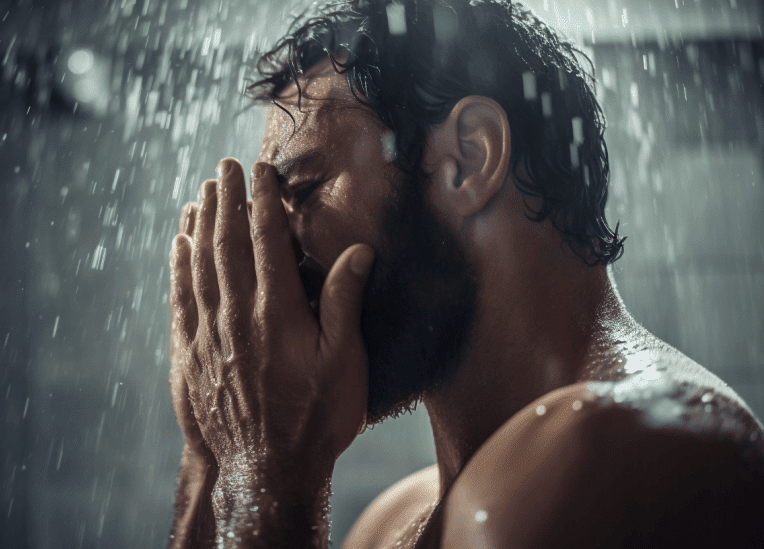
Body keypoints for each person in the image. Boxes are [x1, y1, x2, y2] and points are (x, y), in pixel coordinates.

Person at [165, 0, 764, 547]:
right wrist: (212, 456)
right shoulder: (391, 520)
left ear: (468, 159)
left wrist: (269, 472)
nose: (271, 251)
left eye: (302, 189)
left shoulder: (629, 449)